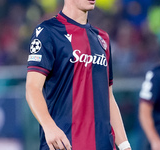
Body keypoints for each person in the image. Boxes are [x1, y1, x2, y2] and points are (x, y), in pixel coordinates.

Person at [25, 0, 131, 150]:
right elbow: (32, 88)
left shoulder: (102, 39)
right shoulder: (48, 31)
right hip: (64, 143)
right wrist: (49, 127)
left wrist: (124, 145)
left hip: (102, 144)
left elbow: (108, 96)